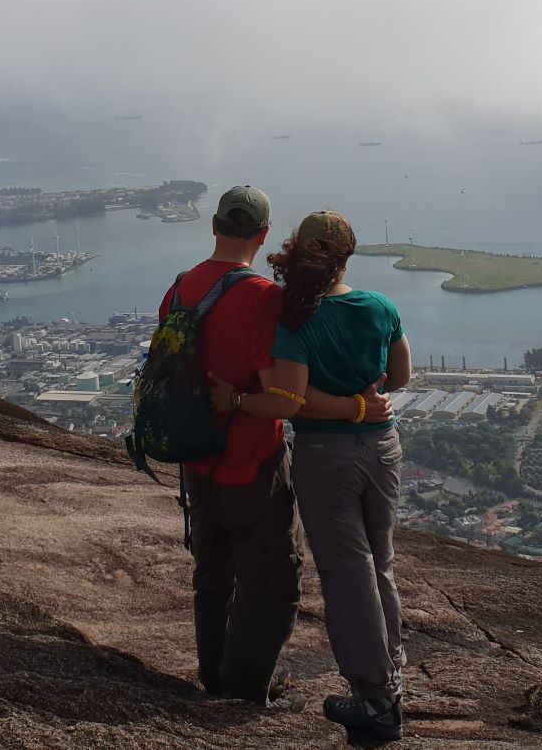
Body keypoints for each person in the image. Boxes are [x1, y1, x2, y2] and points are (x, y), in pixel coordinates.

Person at [211, 210, 412, 742]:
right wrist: (366, 403)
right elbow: (401, 376)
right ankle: (393, 675)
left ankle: (374, 699)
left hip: (328, 456)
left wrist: (346, 407)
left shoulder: (298, 318)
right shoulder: (380, 306)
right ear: (348, 255)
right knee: (380, 563)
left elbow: (295, 398)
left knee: (348, 573)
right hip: (384, 447)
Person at [156, 185, 301, 706]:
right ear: (262, 236)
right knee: (272, 589)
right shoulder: (262, 296)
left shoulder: (178, 289)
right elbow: (283, 400)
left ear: (213, 226)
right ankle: (242, 694)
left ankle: (215, 678)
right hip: (251, 464)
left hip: (197, 461)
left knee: (213, 575)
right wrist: (240, 399)